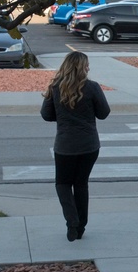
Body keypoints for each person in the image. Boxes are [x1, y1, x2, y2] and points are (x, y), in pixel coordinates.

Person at [40, 51, 110, 242]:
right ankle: (81, 226)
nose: (89, 67)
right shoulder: (93, 87)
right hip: (89, 145)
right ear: (82, 67)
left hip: (65, 145)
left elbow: (46, 115)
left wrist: (63, 116)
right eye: (87, 64)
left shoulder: (55, 88)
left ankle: (72, 221)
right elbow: (104, 113)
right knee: (81, 184)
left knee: (62, 184)